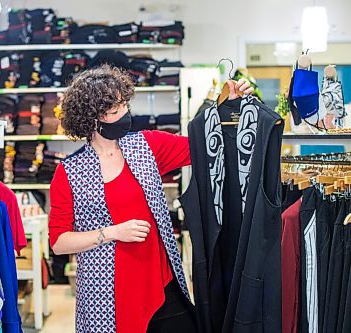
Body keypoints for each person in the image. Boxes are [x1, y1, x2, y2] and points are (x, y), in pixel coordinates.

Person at [49, 64, 253, 333]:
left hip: (160, 282)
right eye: (113, 112)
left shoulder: (147, 146)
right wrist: (112, 232)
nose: (124, 114)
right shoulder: (71, 172)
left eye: (124, 105)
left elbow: (204, 144)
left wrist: (228, 106)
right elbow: (59, 242)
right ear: (91, 120)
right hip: (107, 295)